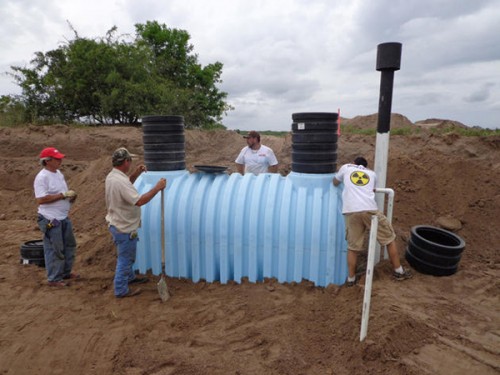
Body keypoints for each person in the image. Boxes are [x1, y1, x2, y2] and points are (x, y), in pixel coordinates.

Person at [333, 156, 412, 286]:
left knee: (353, 247)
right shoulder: (372, 174)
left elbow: (335, 182)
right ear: (366, 166)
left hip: (351, 211)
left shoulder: (346, 167)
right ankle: (399, 271)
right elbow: (371, 189)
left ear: (353, 163)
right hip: (369, 209)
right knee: (389, 238)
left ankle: (351, 280)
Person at [105, 147, 167, 298]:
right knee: (126, 258)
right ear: (126, 162)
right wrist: (157, 188)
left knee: (126, 256)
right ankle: (120, 289)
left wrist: (136, 173)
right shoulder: (119, 181)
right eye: (130, 161)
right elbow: (139, 201)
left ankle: (130, 277)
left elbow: (127, 184)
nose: (131, 163)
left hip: (117, 224)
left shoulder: (113, 176)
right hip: (124, 227)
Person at [34, 147, 79, 287]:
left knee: (69, 244)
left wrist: (69, 197)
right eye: (57, 158)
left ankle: (65, 272)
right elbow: (41, 199)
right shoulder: (42, 177)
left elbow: (62, 192)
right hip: (50, 218)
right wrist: (62, 196)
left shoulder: (58, 173)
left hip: (62, 216)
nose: (60, 160)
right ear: (47, 161)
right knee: (55, 248)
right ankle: (54, 278)